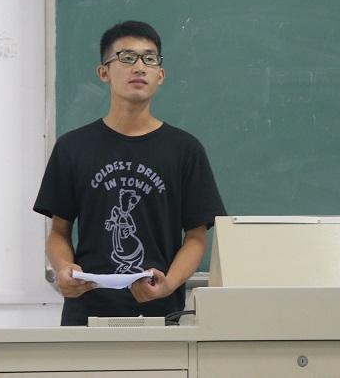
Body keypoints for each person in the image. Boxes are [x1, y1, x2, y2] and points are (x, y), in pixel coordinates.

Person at [33, 20, 227, 326]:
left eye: (149, 59)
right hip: (86, 314)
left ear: (160, 75)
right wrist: (63, 269)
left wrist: (168, 284)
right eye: (126, 57)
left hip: (160, 314)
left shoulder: (185, 149)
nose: (139, 67)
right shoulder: (73, 147)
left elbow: (196, 237)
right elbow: (59, 231)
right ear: (104, 72)